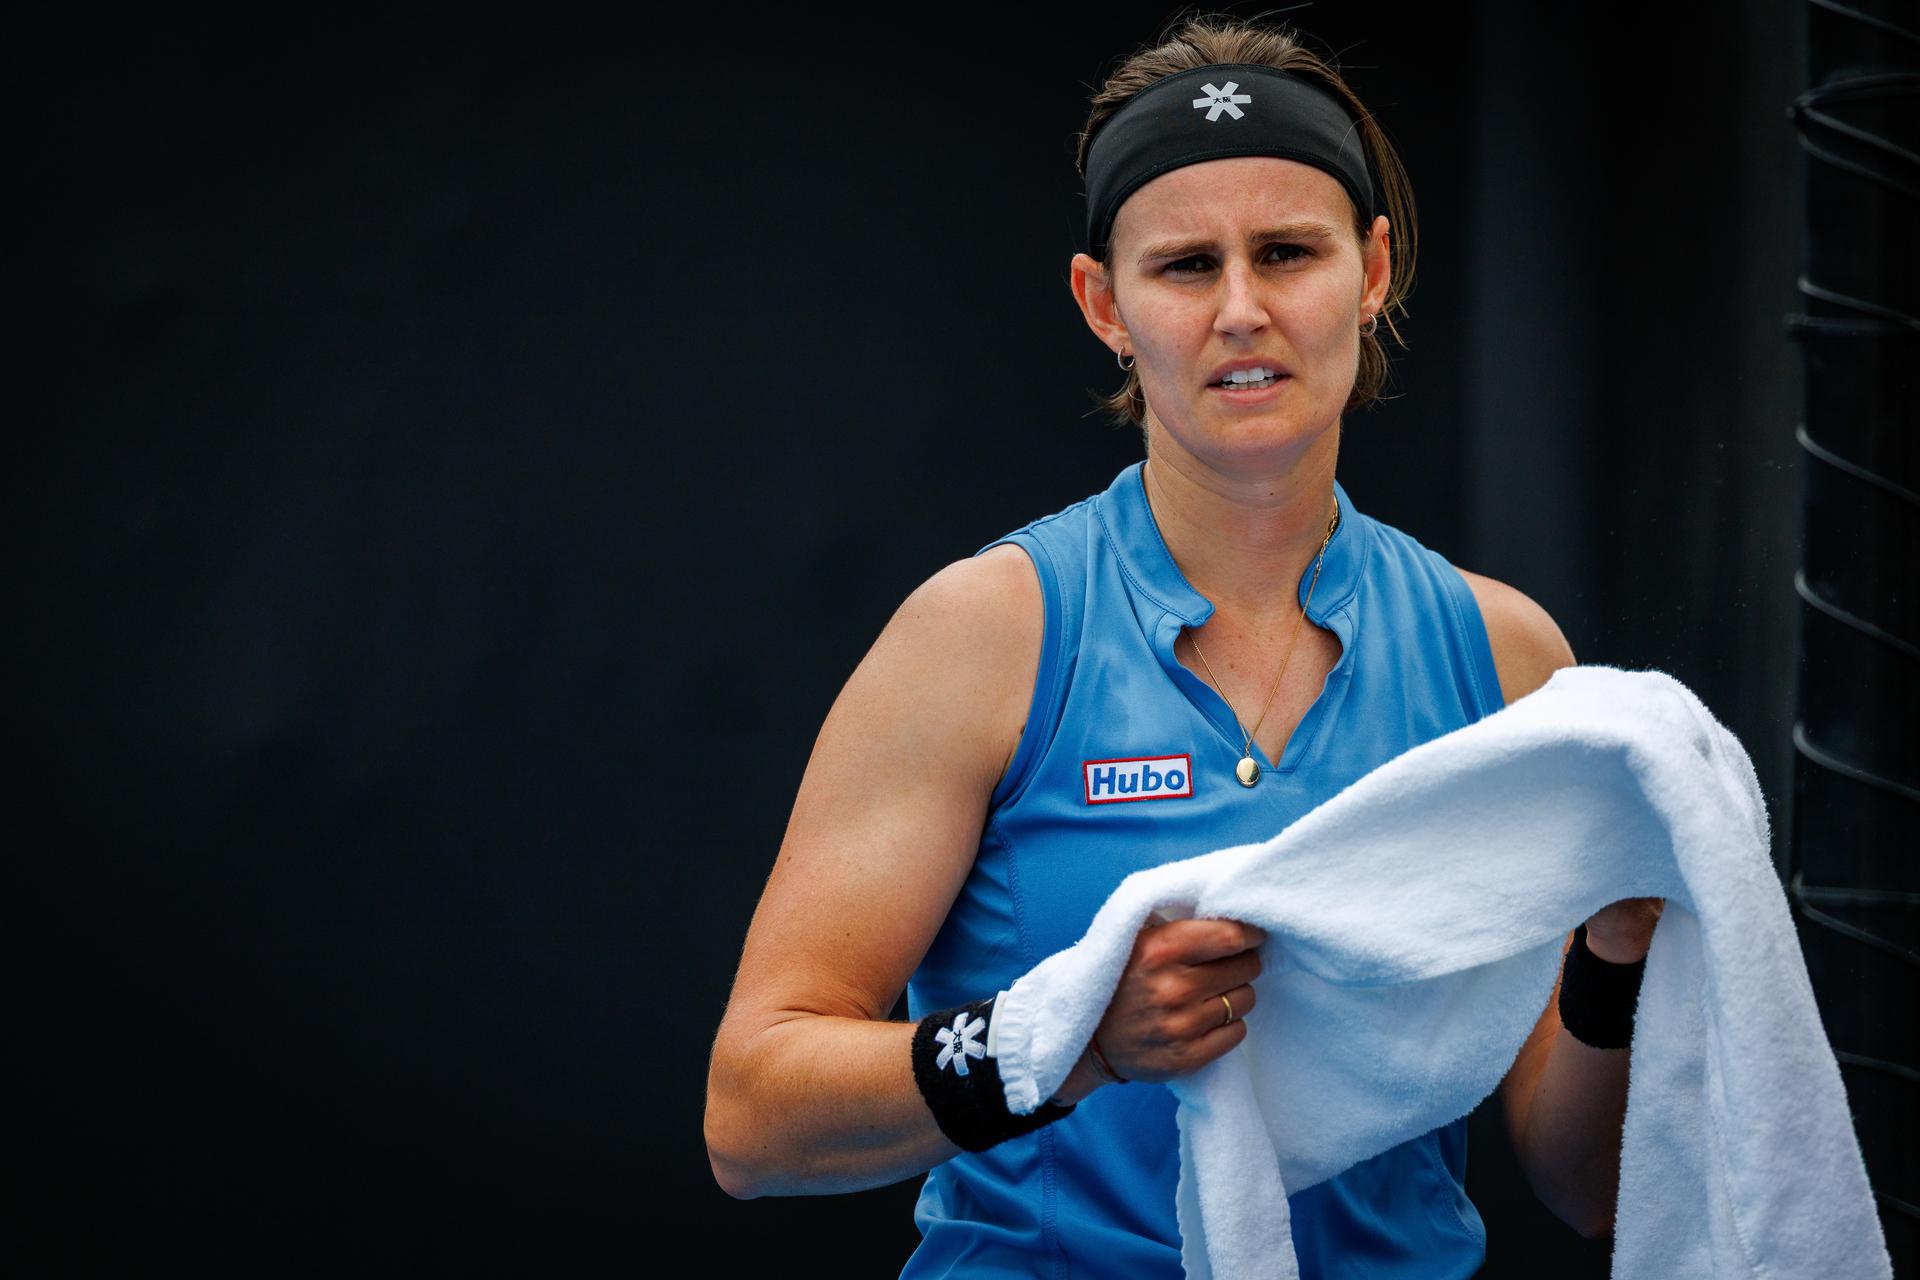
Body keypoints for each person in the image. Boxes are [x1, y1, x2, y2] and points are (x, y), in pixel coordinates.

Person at [705, 15, 1664, 1277]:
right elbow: (752, 1113)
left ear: (1371, 274)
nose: (1243, 310)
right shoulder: (985, 633)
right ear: (1104, 302)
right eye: (1184, 266)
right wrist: (1067, 1036)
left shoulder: (1504, 656)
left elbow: (1581, 1183)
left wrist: (1618, 954)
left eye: (1287, 252)